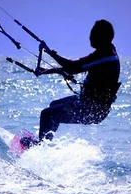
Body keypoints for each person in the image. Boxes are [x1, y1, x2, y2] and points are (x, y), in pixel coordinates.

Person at [21, 19, 121, 148]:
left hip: (93, 110)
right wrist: (47, 71)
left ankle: (39, 147)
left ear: (102, 37)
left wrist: (50, 53)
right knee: (54, 105)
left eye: (93, 34)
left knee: (48, 114)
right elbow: (77, 67)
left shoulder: (104, 56)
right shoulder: (107, 52)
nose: (90, 37)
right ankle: (45, 142)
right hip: (90, 104)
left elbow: (73, 67)